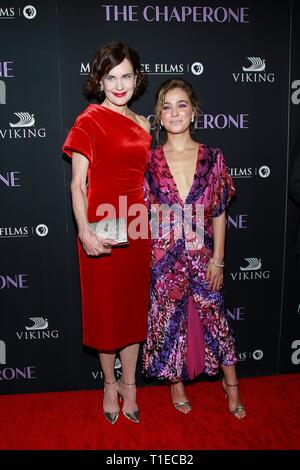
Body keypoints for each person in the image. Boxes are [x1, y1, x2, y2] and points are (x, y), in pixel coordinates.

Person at [142, 78, 246, 419]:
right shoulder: (150, 162)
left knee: (216, 319)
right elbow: (143, 212)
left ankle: (232, 385)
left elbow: (219, 212)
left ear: (194, 111)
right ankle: (177, 384)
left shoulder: (213, 158)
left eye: (181, 104)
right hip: (164, 259)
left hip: (204, 257)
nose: (174, 112)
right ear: (159, 115)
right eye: (167, 106)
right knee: (169, 321)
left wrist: (219, 260)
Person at [62, 41, 151, 424]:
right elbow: (77, 185)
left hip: (137, 225)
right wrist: (84, 231)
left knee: (131, 311)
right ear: (99, 80)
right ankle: (109, 386)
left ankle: (131, 385)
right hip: (101, 227)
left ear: (136, 79)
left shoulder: (145, 125)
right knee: (105, 314)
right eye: (111, 76)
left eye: (126, 76)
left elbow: (150, 181)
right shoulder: (88, 121)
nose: (119, 84)